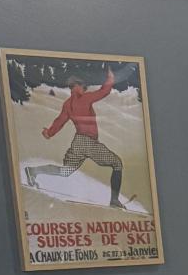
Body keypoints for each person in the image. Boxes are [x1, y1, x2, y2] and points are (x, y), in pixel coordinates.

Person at [41, 64, 126, 206]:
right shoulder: (85, 98)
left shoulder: (67, 104)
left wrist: (48, 133)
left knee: (64, 172)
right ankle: (114, 200)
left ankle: (32, 172)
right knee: (117, 163)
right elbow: (103, 91)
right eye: (82, 86)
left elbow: (60, 121)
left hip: (78, 142)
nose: (84, 89)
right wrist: (110, 78)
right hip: (88, 142)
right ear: (76, 86)